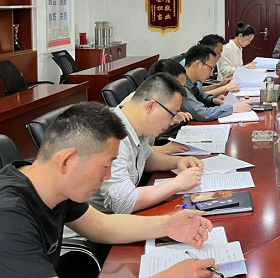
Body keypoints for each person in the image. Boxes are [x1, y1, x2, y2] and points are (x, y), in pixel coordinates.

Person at [0, 101, 217, 278]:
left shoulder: (52, 181)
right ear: (67, 160)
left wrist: (168, 225)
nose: (109, 176)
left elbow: (101, 226)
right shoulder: (9, 217)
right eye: (105, 166)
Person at [90, 73, 204, 214]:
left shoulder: (135, 126)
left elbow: (147, 158)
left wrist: (177, 161)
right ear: (151, 106)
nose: (172, 121)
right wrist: (177, 184)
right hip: (101, 224)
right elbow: (123, 203)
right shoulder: (112, 137)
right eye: (172, 114)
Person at [183, 44, 251, 121]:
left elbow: (200, 95)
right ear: (197, 65)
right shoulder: (180, 85)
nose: (211, 74)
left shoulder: (190, 82)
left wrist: (213, 100)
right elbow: (202, 113)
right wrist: (233, 108)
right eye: (211, 68)